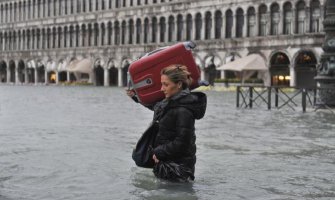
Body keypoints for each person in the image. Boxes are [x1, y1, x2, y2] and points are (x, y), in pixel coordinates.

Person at [127, 64, 207, 182]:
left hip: (179, 170)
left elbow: (182, 142)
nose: (161, 88)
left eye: (166, 84)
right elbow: (157, 108)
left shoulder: (184, 110)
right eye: (161, 84)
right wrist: (136, 97)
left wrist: (158, 152)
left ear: (179, 84)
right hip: (168, 165)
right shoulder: (170, 102)